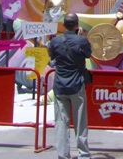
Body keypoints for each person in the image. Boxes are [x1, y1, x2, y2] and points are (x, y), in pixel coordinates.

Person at [48, 12, 92, 159]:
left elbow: (52, 57)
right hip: (77, 85)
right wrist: (82, 36)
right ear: (77, 25)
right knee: (80, 122)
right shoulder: (82, 41)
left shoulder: (55, 41)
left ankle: (63, 155)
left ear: (64, 25)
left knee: (61, 123)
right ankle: (83, 154)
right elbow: (88, 54)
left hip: (60, 86)